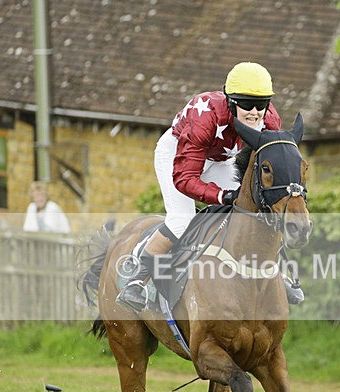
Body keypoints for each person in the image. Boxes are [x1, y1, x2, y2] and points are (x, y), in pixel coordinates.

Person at [117, 61, 303, 311]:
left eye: (261, 104)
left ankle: (278, 272)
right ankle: (138, 277)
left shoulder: (270, 121)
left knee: (254, 212)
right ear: (231, 102)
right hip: (178, 154)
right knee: (182, 220)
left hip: (221, 159)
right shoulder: (205, 116)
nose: (255, 112)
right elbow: (185, 179)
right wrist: (222, 195)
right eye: (246, 104)